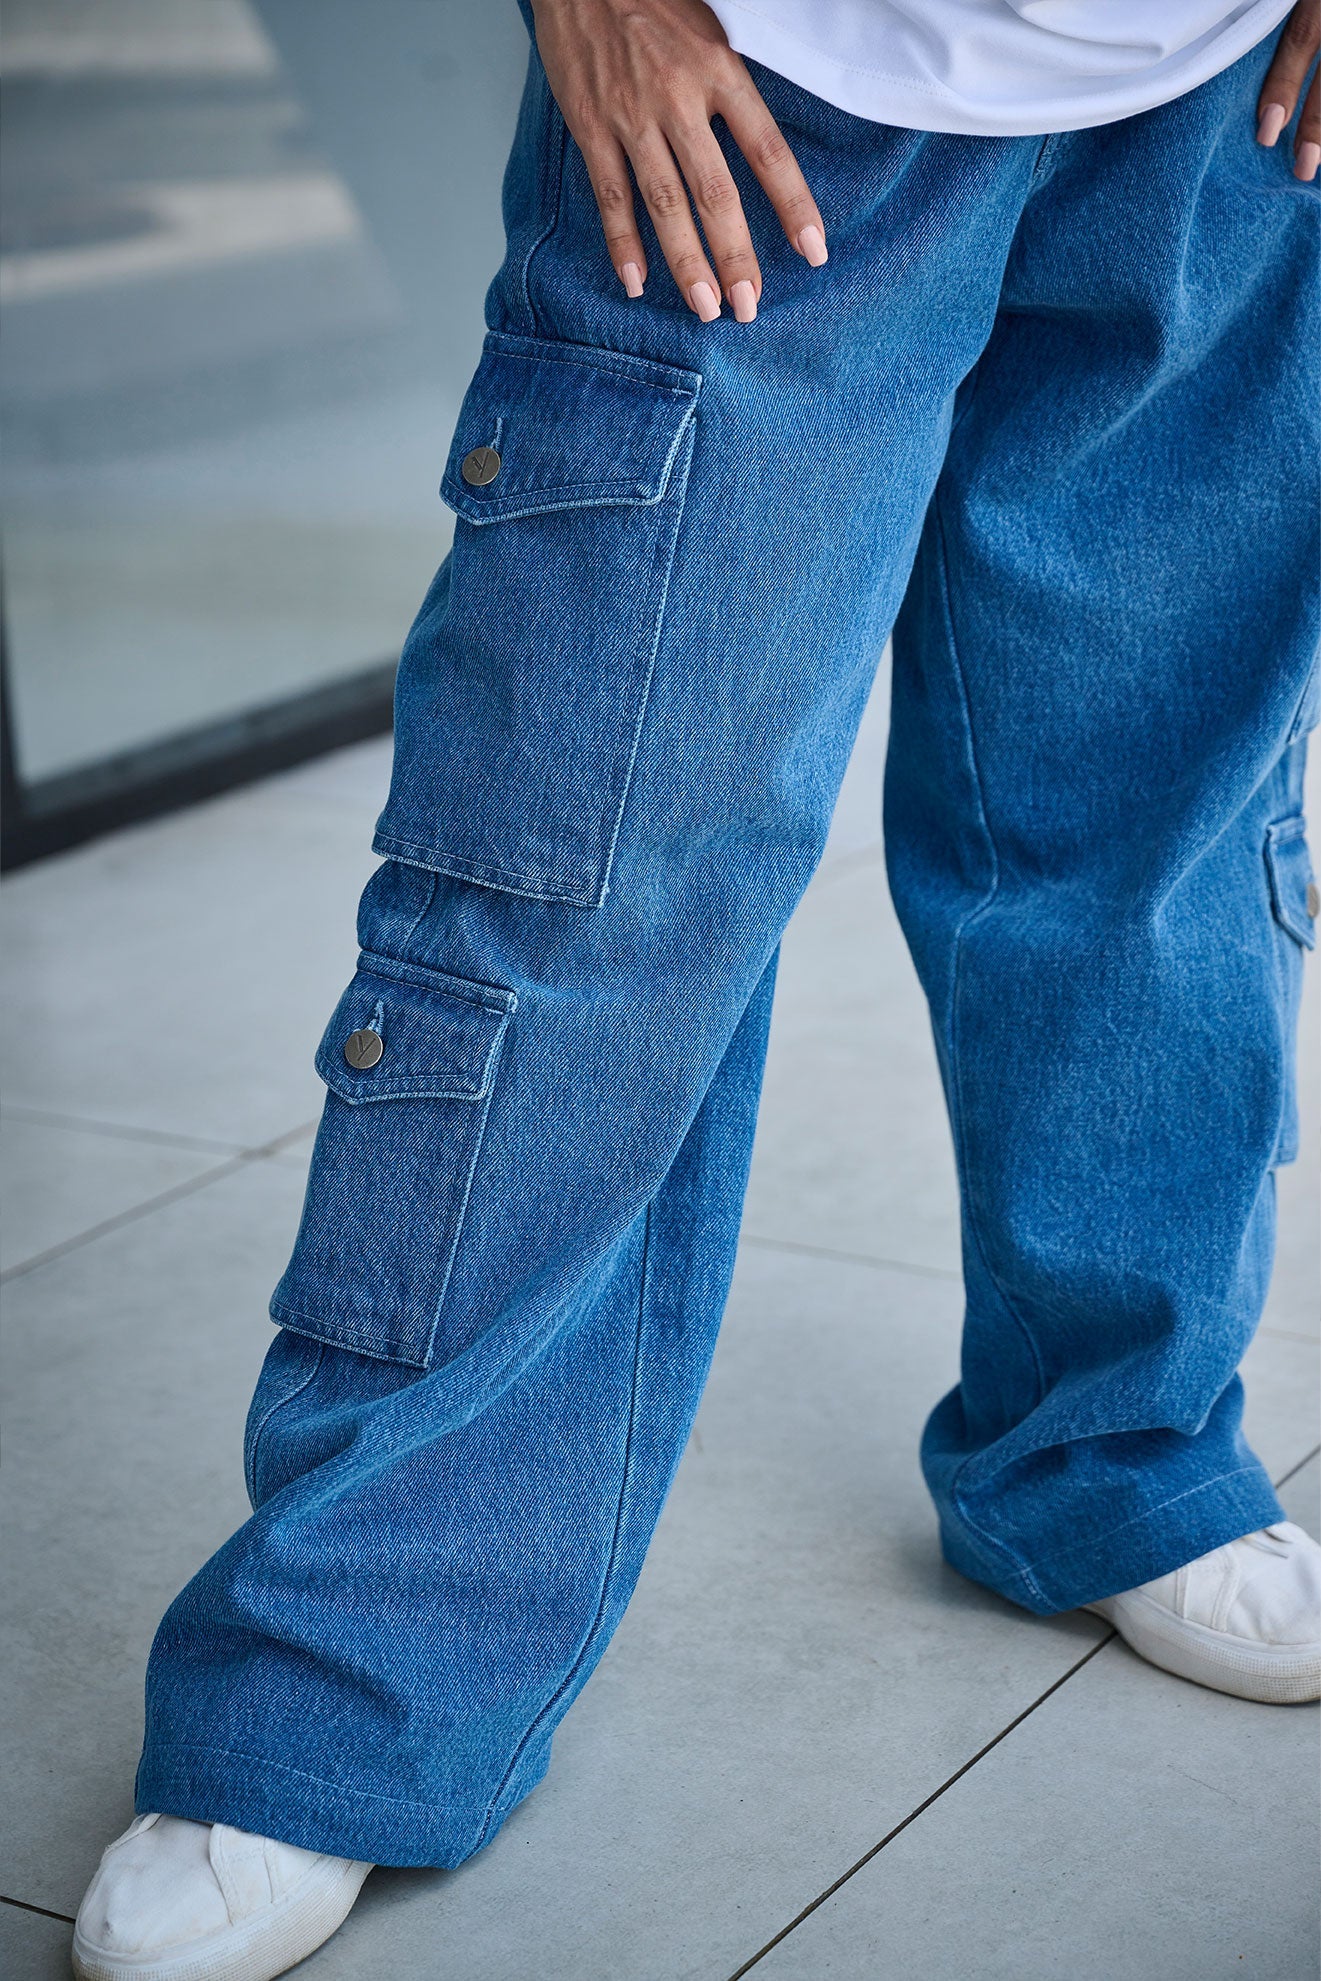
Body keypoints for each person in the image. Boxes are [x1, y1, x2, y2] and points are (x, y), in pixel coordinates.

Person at [73, 2, 1320, 1976]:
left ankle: (1110, 1459)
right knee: (583, 871)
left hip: (1220, 100)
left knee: (1156, 839)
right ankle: (349, 1674)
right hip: (770, 80)